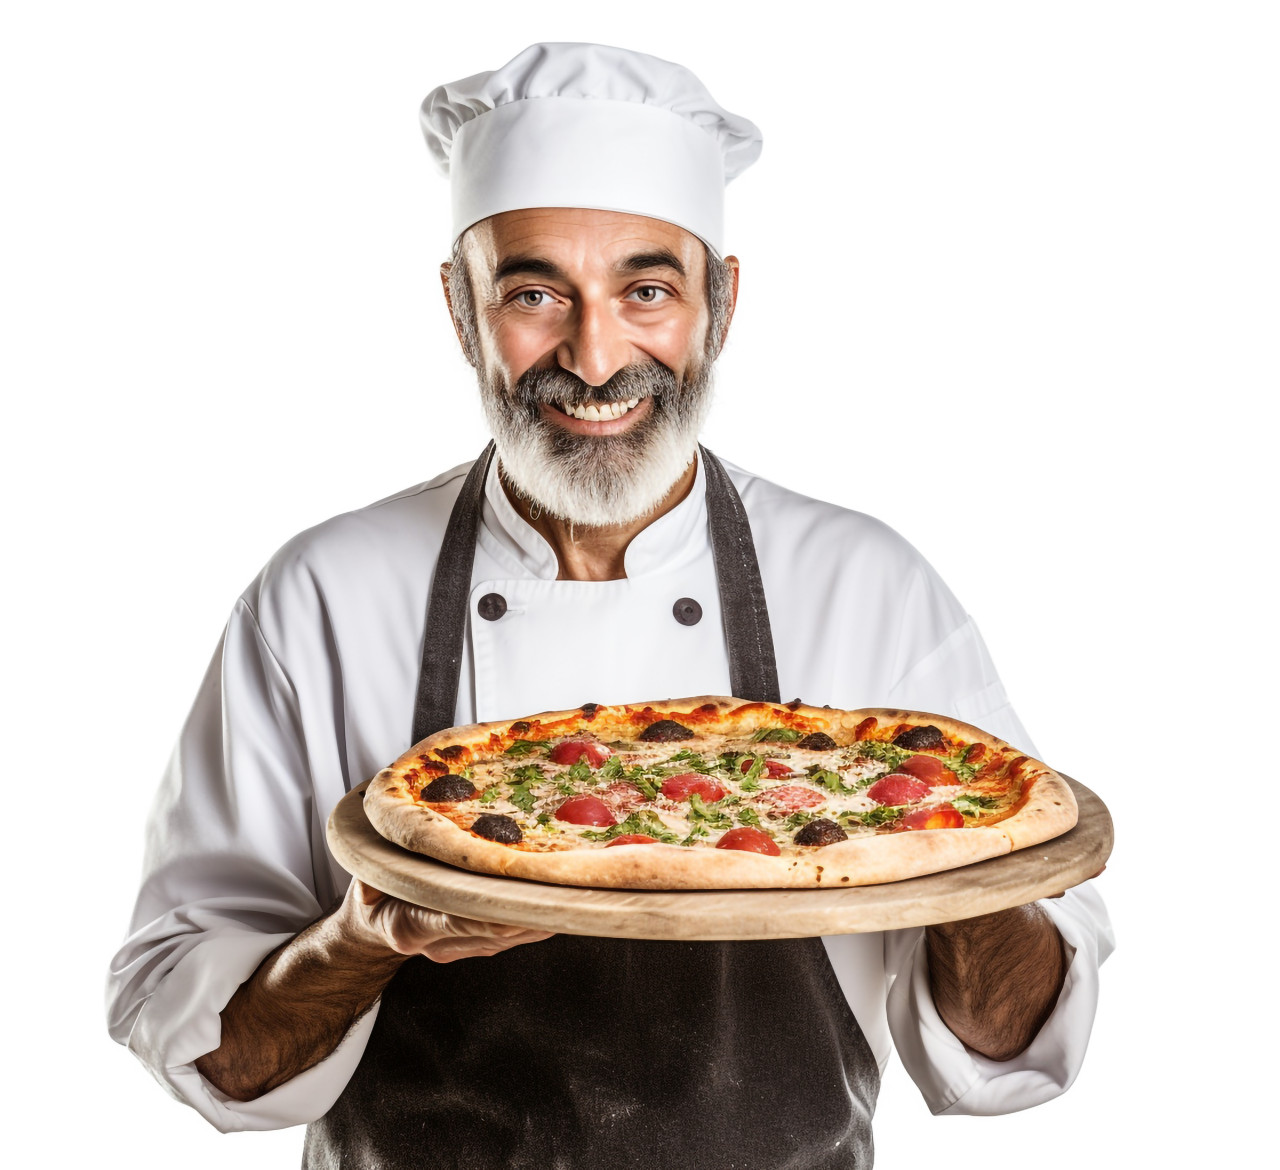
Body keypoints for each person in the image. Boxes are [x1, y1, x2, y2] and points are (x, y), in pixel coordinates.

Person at [107, 43, 1113, 1168]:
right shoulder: (325, 593)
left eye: (645, 290)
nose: (593, 358)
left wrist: (955, 858)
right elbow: (214, 1058)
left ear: (719, 304)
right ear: (458, 306)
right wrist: (365, 936)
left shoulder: (864, 583)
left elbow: (1016, 1043)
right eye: (534, 293)